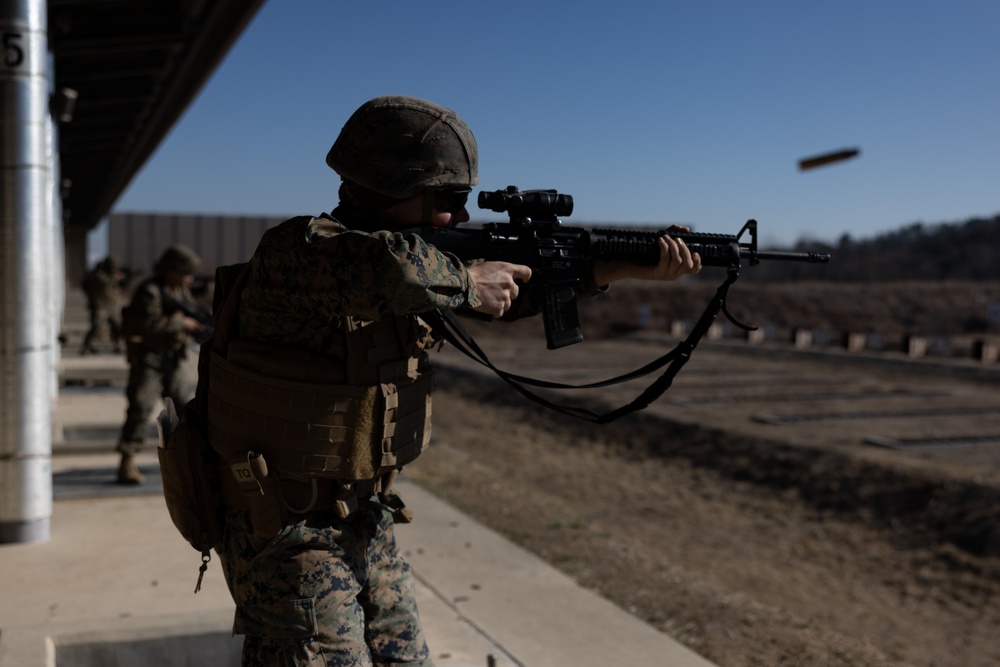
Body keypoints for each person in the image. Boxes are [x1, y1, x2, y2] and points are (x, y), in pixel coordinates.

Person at [201, 95, 701, 666]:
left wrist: (616, 266)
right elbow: (384, 268)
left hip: (364, 520)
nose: (461, 218)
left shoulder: (418, 270)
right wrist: (466, 281)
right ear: (393, 183)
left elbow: (508, 296)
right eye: (449, 199)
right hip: (285, 533)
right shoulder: (302, 252)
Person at [117, 245, 205, 484]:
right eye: (185, 272)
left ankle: (186, 462)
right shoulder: (150, 290)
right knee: (141, 409)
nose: (190, 278)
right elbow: (149, 324)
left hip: (176, 360)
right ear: (171, 270)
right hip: (150, 359)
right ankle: (127, 461)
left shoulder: (180, 291)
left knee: (187, 412)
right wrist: (181, 323)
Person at [79, 256, 125, 355]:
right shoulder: (99, 275)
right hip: (100, 305)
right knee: (96, 326)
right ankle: (86, 346)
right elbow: (104, 283)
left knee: (117, 326)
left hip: (113, 305)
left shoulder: (111, 275)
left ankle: (118, 345)